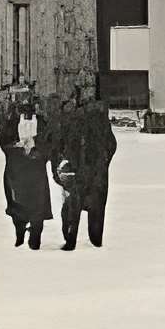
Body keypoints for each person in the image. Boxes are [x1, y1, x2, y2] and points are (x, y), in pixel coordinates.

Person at [60, 96, 117, 250]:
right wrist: (104, 162)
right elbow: (111, 145)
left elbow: (68, 145)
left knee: (78, 207)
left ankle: (76, 241)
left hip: (86, 173)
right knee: (91, 208)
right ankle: (92, 241)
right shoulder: (96, 122)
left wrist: (102, 162)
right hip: (91, 172)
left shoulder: (80, 122)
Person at [0, 91, 53, 250]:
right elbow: (4, 142)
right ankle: (20, 233)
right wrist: (17, 149)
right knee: (17, 206)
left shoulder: (42, 123)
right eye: (23, 109)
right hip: (17, 171)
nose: (26, 113)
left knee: (38, 208)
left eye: (29, 108)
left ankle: (35, 239)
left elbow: (50, 143)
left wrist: (37, 149)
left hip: (36, 173)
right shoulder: (10, 124)